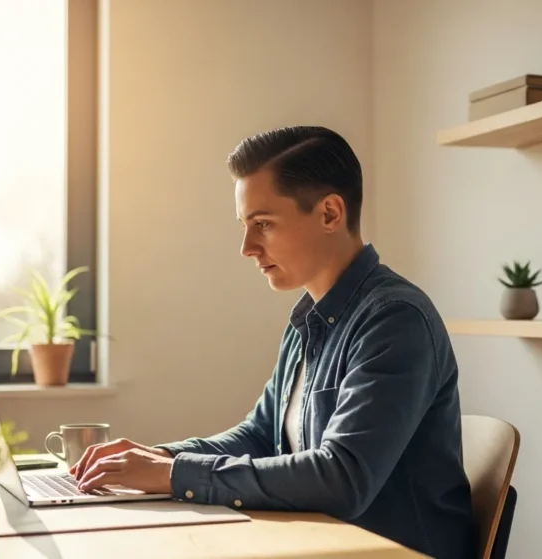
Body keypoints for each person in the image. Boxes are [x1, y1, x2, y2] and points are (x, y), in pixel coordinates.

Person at [70, 125, 477, 558]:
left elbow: (343, 479)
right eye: (245, 225)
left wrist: (174, 475)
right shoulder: (308, 320)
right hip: (319, 546)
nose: (247, 247)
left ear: (330, 214)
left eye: (262, 224)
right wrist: (161, 458)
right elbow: (262, 434)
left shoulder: (395, 319)